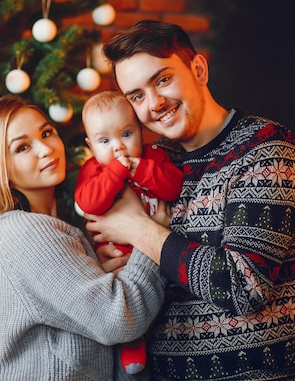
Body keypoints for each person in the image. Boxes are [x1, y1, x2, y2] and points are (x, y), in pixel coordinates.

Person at [85, 20, 295, 381]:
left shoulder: (266, 150)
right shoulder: (154, 162)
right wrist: (115, 256)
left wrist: (138, 230)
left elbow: (244, 288)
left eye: (162, 80)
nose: (155, 103)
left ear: (199, 70)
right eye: (136, 96)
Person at [0, 95, 165, 381]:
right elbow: (118, 320)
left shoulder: (51, 226)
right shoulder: (24, 231)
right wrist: (150, 235)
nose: (45, 148)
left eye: (46, 132)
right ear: (0, 168)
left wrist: (94, 266)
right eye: (22, 147)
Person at [74, 90, 184, 375]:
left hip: (158, 251)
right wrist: (115, 174)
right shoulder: (93, 169)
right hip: (120, 257)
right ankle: (132, 343)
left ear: (140, 130)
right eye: (104, 141)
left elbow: (172, 186)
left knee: (164, 297)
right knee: (126, 298)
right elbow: (89, 202)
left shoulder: (154, 157)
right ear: (90, 145)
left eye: (126, 134)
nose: (118, 148)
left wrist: (140, 170)